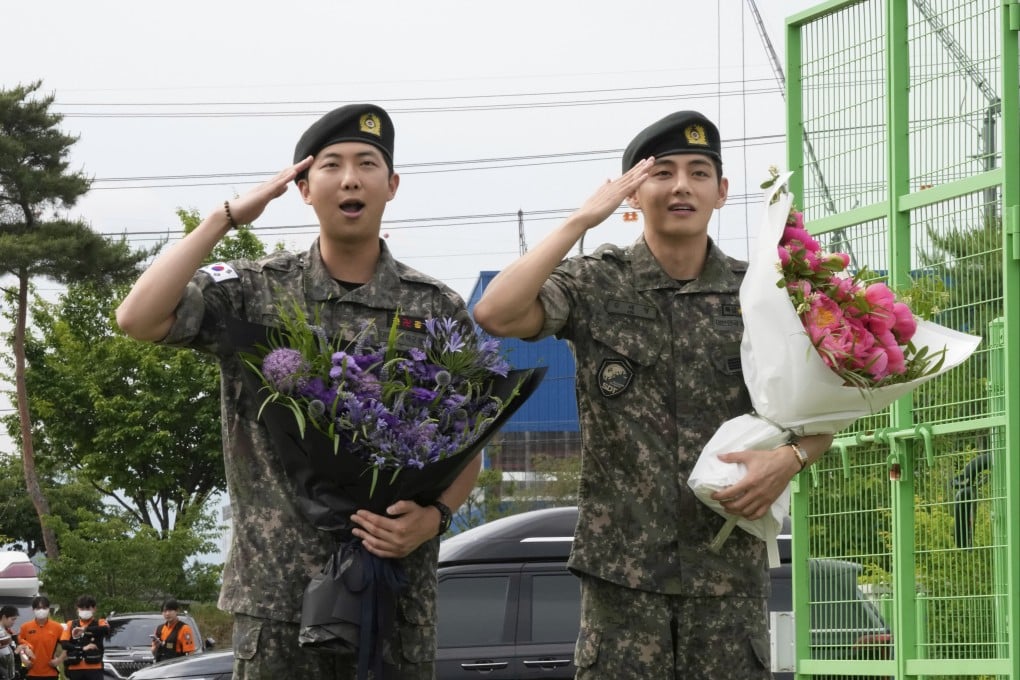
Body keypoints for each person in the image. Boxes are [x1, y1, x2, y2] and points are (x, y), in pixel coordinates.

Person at [116, 103, 480, 679]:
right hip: (277, 601)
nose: (351, 179)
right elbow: (137, 318)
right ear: (305, 189)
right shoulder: (254, 289)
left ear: (392, 185)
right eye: (331, 165)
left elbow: (468, 438)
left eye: (367, 164)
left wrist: (435, 517)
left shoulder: (435, 307)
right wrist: (225, 218)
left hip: (391, 596)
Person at [473, 110, 834, 680]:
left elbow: (822, 411)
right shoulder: (596, 281)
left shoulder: (759, 292)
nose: (681, 186)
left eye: (699, 173)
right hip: (622, 581)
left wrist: (789, 459)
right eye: (662, 173)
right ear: (632, 194)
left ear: (722, 192)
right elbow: (495, 312)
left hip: (727, 575)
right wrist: (581, 219)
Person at [59, 595, 109, 680]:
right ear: (77, 609)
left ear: (94, 609)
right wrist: (82, 648)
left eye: (88, 608)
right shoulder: (71, 624)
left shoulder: (100, 622)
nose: (85, 611)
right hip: (74, 668)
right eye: (82, 609)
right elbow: (64, 644)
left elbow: (105, 629)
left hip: (94, 668)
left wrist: (84, 629)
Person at [16, 596, 65, 680]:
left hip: (51, 673)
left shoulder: (57, 627)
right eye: (38, 608)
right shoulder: (25, 627)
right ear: (33, 609)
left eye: (44, 608)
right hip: (31, 672)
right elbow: (20, 647)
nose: (41, 610)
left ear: (49, 609)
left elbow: (67, 647)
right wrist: (24, 659)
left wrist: (59, 660)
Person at [0, 605, 17, 680]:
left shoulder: (7, 631)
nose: (14, 622)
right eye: (12, 619)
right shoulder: (1, 633)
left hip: (8, 673)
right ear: (4, 617)